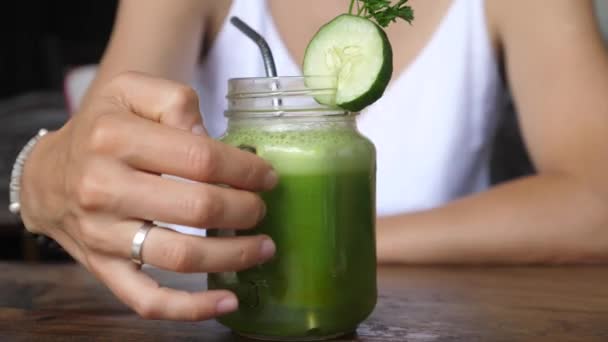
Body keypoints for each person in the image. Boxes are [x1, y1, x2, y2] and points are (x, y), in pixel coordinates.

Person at [10, 0, 608, 321]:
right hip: (205, 310)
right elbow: (99, 146)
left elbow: (597, 201)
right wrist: (43, 173)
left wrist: (331, 240)